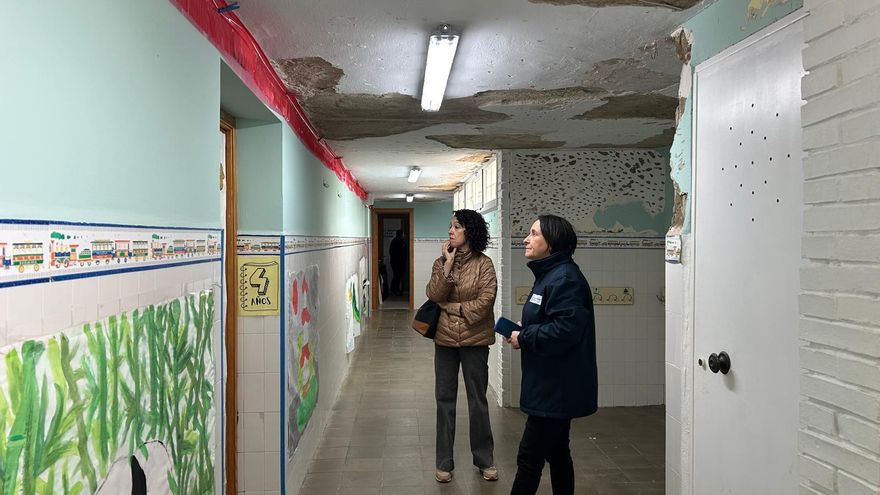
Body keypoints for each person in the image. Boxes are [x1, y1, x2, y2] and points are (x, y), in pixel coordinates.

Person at [505, 214, 598, 495]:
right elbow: (552, 319)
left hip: (556, 386)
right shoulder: (551, 275)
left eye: (534, 233)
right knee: (557, 451)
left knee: (529, 458)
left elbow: (565, 331)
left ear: (552, 242)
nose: (526, 239)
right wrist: (527, 327)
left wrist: (526, 336)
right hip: (550, 382)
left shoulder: (565, 279)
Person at [426, 209, 499, 483]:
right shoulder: (439, 262)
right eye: (450, 227)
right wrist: (446, 265)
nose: (450, 231)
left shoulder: (485, 265)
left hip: (475, 341)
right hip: (444, 341)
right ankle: (444, 462)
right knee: (444, 402)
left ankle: (485, 460)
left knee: (477, 402)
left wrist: (453, 308)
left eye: (456, 227)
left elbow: (485, 303)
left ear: (470, 231)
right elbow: (434, 295)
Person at [389, 229, 406, 295]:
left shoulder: (397, 241)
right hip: (397, 263)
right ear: (401, 234)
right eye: (403, 234)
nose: (404, 235)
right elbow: (393, 252)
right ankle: (394, 290)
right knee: (397, 276)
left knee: (397, 276)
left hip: (397, 262)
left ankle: (395, 289)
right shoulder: (397, 241)